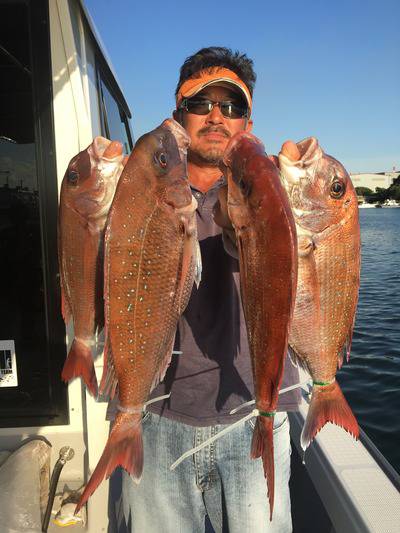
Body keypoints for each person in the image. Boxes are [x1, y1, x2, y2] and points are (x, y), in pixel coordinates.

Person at [120, 47, 300, 533]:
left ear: (248, 122)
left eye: (232, 107)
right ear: (178, 113)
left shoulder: (277, 192)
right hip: (157, 416)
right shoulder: (143, 191)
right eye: (201, 103)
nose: (217, 117)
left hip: (255, 414)